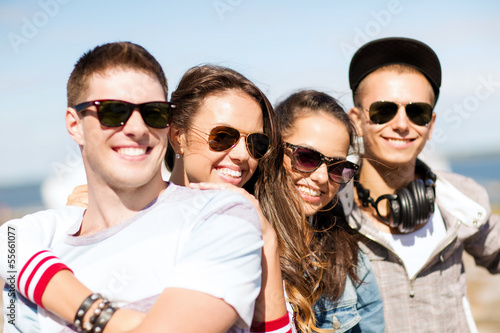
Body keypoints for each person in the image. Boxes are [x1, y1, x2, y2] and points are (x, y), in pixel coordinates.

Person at [0, 42, 264, 333]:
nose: (137, 128)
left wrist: (93, 313)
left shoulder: (222, 217)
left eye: (153, 113)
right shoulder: (40, 235)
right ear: (75, 125)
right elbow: (9, 241)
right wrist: (112, 319)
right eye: (113, 112)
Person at [344, 36, 500, 332]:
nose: (402, 124)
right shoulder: (327, 211)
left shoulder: (462, 198)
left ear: (431, 124)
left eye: (417, 112)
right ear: (356, 120)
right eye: (383, 110)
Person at [275, 90, 384, 332]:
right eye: (306, 157)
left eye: (338, 167)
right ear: (273, 150)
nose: (322, 178)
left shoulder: (349, 257)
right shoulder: (239, 240)